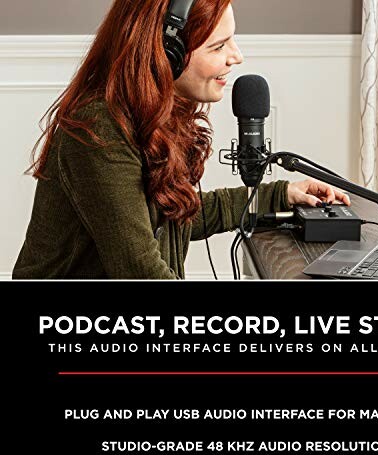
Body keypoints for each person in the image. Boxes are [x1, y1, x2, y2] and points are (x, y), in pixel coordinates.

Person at [13, 0, 350, 280]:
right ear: (166, 52)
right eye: (218, 46)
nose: (236, 56)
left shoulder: (154, 112)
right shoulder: (100, 128)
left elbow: (176, 213)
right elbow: (141, 270)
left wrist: (279, 195)